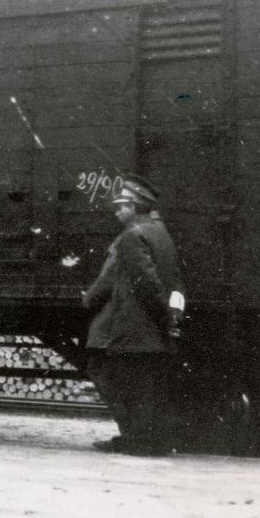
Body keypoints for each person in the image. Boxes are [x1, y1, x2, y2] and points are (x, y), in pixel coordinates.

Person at [81, 175, 185, 456]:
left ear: (136, 204)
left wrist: (88, 299)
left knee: (114, 377)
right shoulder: (161, 234)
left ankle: (135, 440)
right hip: (151, 327)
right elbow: (175, 281)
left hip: (131, 326)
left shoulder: (131, 236)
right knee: (146, 384)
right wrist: (174, 315)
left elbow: (146, 284)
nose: (117, 211)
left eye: (122, 205)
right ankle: (150, 440)